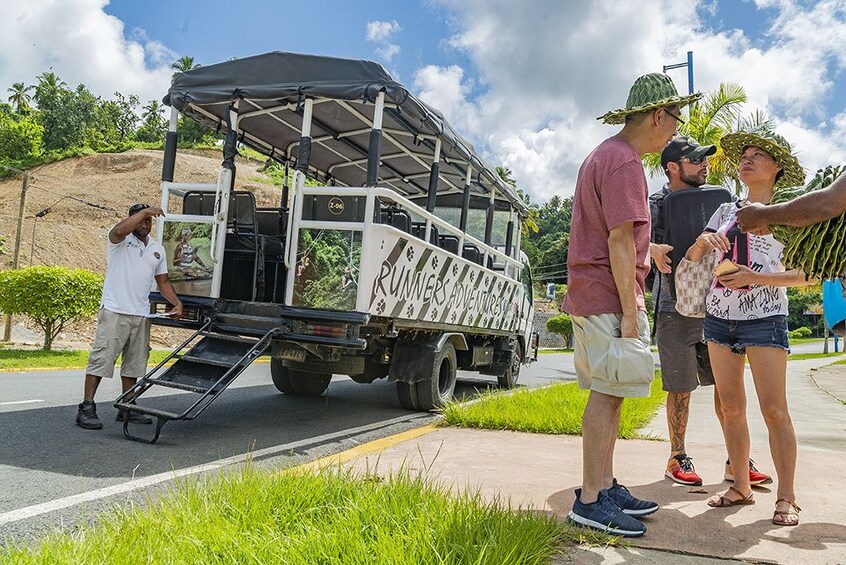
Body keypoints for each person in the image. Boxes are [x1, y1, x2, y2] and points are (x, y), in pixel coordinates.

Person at [563, 73, 700, 537]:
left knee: (614, 388)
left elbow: (621, 238)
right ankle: (589, 499)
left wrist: (649, 254)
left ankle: (603, 485)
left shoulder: (607, 155)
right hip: (609, 294)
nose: (675, 132)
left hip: (597, 289)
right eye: (675, 120)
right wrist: (628, 311)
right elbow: (619, 240)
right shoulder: (624, 163)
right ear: (658, 115)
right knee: (607, 391)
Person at [685, 130, 814, 526]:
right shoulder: (726, 211)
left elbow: (808, 275)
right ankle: (740, 485)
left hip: (765, 318)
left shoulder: (793, 214)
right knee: (730, 407)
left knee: (775, 410)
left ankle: (787, 497)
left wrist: (757, 279)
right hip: (719, 316)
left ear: (777, 168)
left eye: (759, 155)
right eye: (744, 155)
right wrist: (704, 241)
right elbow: (692, 257)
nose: (747, 159)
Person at [650, 138, 772, 488]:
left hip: (718, 304)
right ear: (673, 167)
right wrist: (655, 249)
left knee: (725, 384)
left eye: (704, 160)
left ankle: (737, 459)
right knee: (680, 385)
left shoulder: (724, 201)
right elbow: (631, 238)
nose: (704, 165)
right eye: (694, 160)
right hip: (673, 305)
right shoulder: (654, 203)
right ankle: (677, 456)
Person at [76, 204, 184, 430]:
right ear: (133, 219)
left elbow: (162, 282)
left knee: (134, 364)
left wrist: (176, 303)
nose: (144, 225)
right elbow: (117, 231)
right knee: (101, 359)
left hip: (141, 313)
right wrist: (144, 212)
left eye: (148, 221)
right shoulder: (120, 241)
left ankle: (128, 407)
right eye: (140, 220)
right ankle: (86, 407)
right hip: (115, 309)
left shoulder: (157, 249)